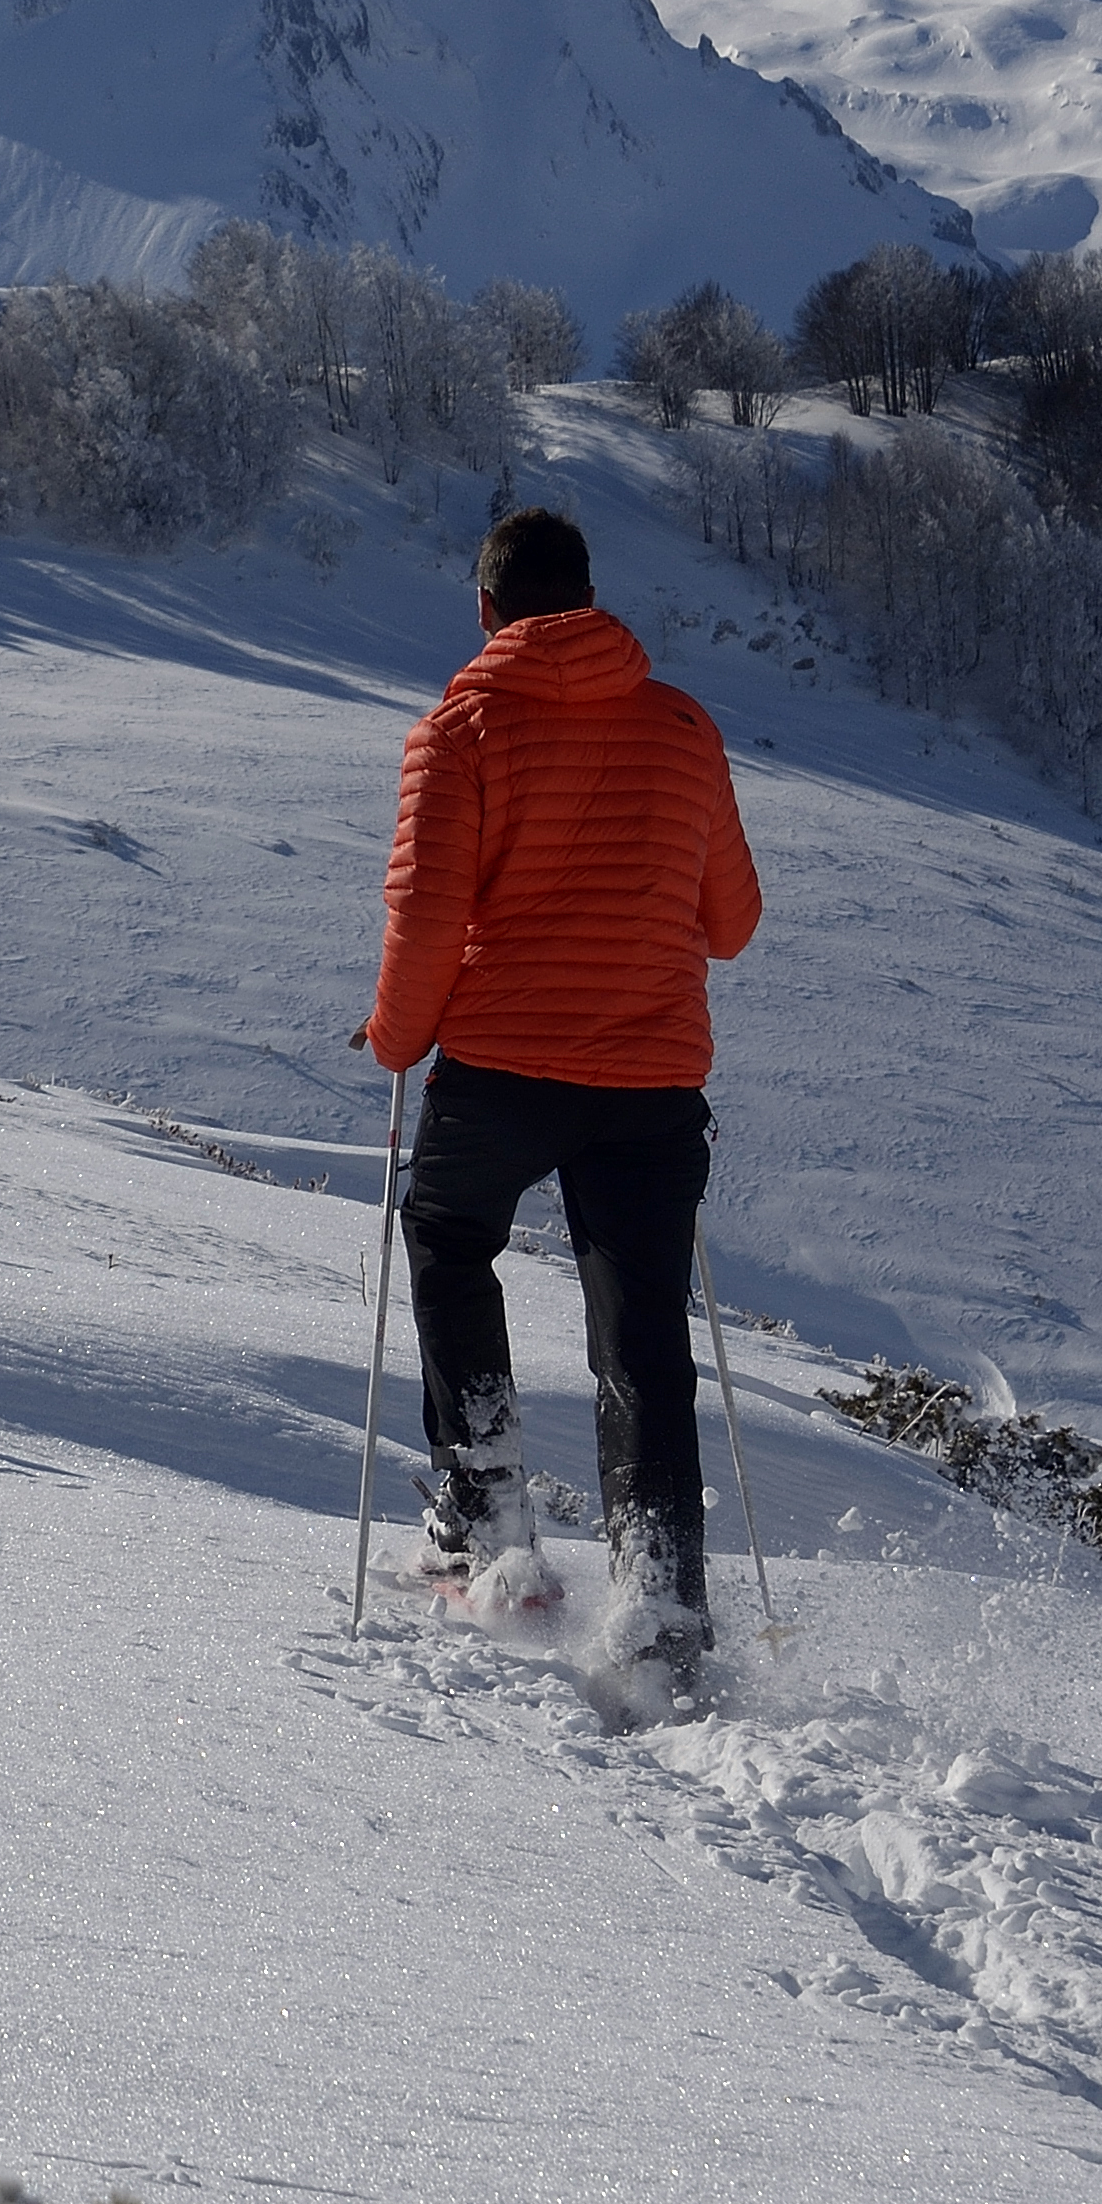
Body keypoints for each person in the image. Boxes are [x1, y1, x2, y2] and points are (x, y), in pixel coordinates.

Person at [354, 505, 761, 1670]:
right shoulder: (683, 727)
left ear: (487, 608)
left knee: (445, 1231)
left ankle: (486, 1521)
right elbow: (731, 923)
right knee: (639, 1334)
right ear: (587, 598)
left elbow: (427, 920)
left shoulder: (459, 731)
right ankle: (663, 1597)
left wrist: (393, 1040)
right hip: (649, 1076)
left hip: (503, 1066)